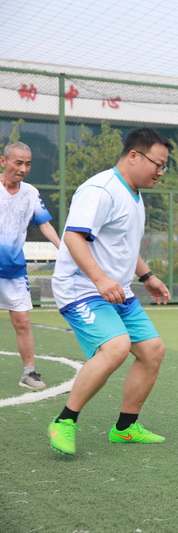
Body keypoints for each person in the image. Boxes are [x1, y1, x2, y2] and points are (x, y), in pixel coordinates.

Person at [47, 128, 173, 456]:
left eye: (164, 166)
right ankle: (64, 421)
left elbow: (122, 245)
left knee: (152, 351)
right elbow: (73, 237)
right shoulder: (100, 190)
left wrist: (147, 275)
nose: (161, 172)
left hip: (117, 290)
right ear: (134, 156)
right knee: (116, 347)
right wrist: (100, 279)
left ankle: (125, 428)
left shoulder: (134, 194)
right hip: (80, 287)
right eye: (157, 164)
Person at [0, 141, 61, 389]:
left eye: (28, 164)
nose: (23, 169)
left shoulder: (31, 193)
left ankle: (29, 373)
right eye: (18, 163)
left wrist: (62, 248)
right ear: (3, 162)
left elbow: (44, 224)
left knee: (23, 322)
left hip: (14, 271)